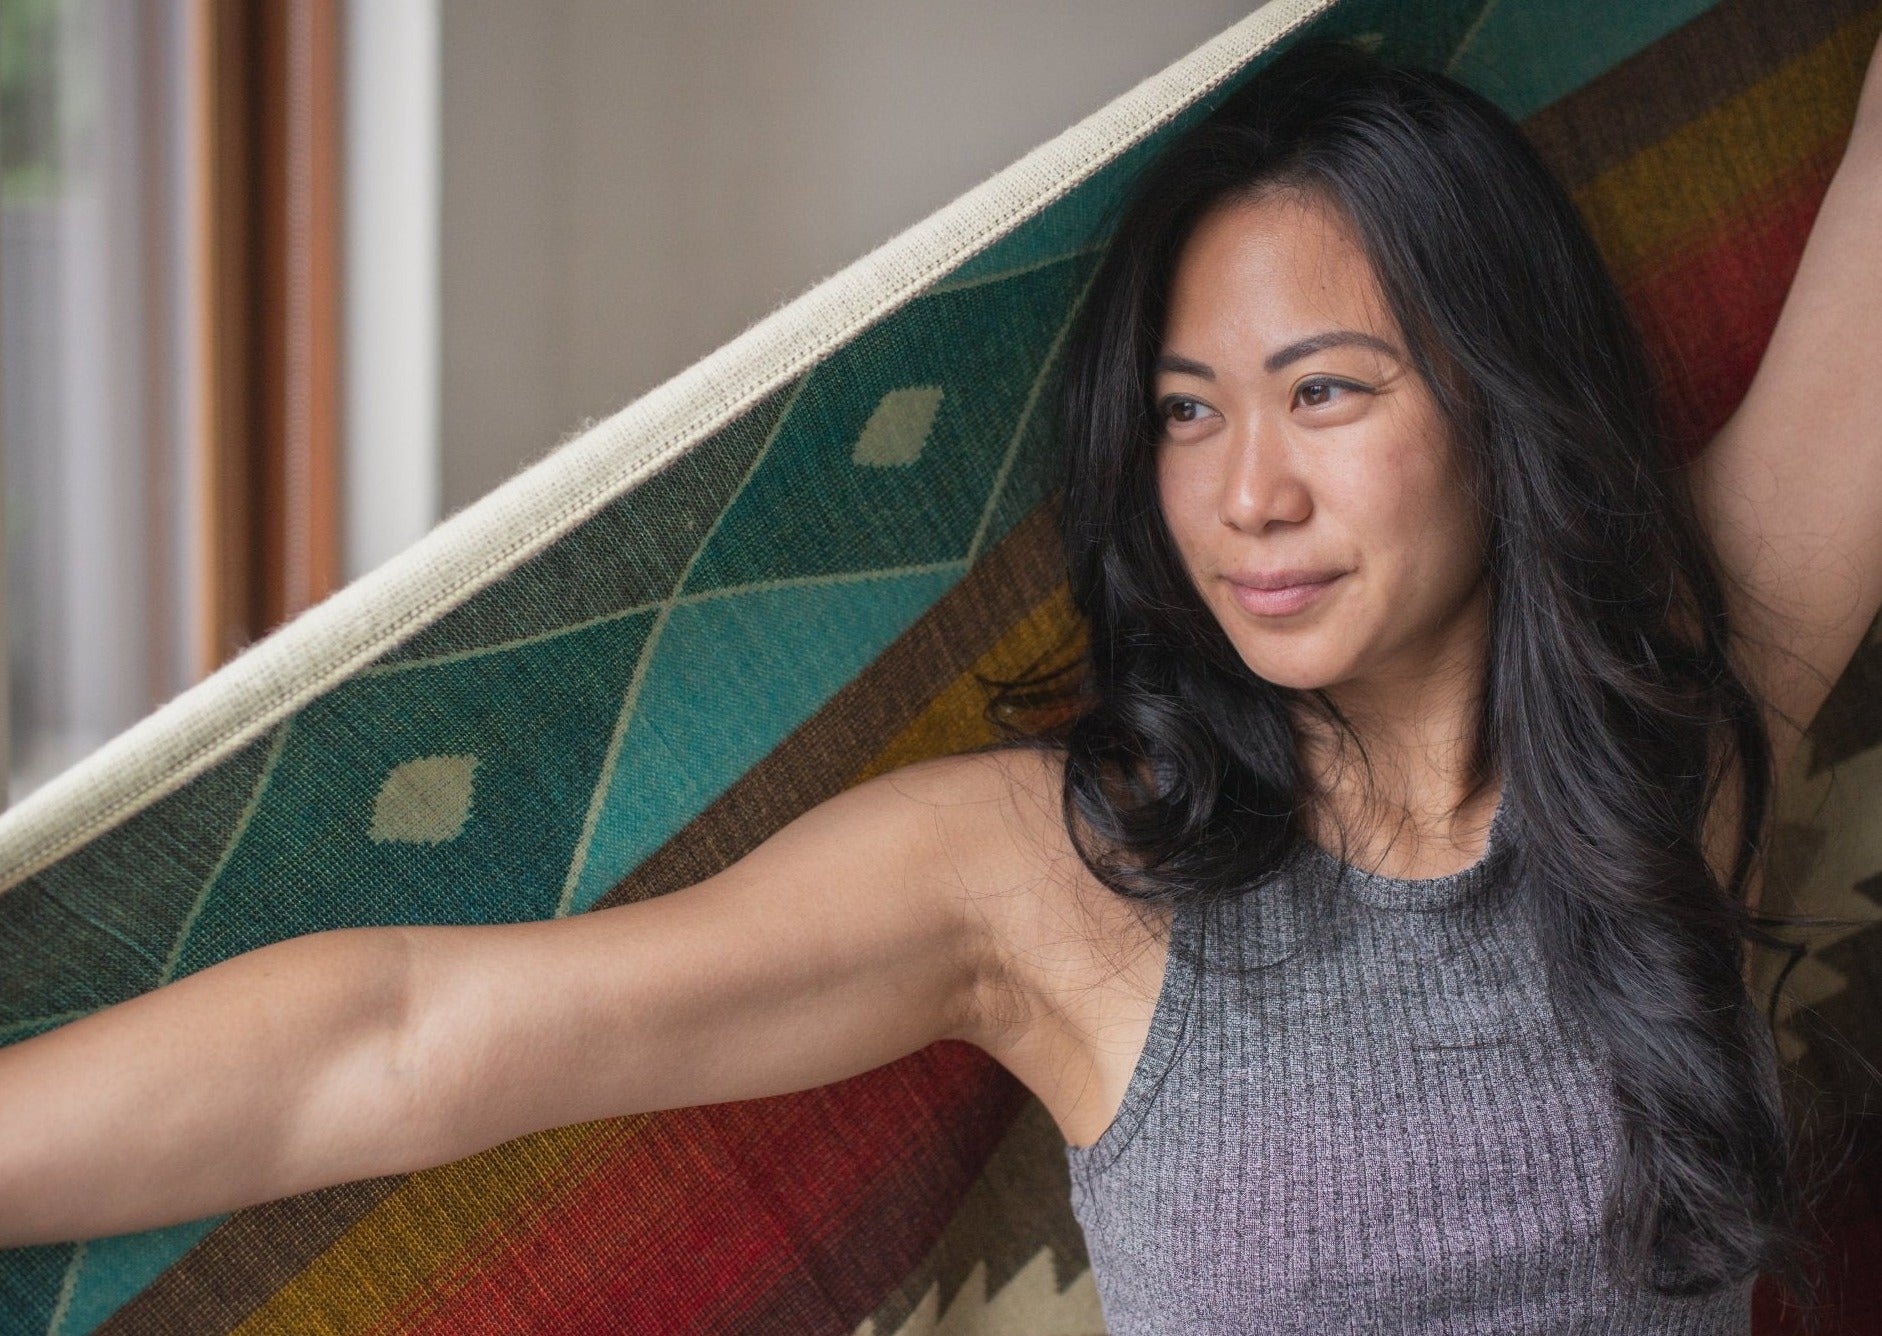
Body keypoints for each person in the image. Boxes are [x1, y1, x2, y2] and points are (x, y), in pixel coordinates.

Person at [4, 30, 1880, 1333]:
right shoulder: (1061, 876)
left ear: (1498, 400)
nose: (1244, 493)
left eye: (1325, 389)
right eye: (1180, 411)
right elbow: (400, 1037)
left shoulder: (1669, 735)